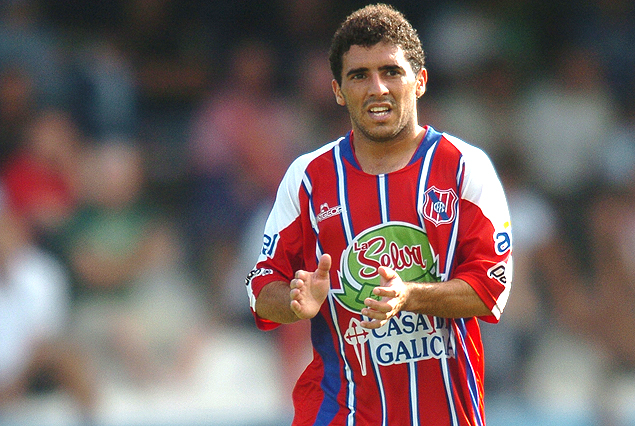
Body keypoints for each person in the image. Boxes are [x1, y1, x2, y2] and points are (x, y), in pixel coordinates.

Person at [245, 4, 512, 426]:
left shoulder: (464, 167)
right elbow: (261, 287)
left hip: (444, 412)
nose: (377, 88)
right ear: (338, 90)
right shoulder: (308, 178)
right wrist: (296, 303)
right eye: (359, 75)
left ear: (419, 81)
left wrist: (409, 295)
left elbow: (489, 289)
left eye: (391, 72)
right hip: (340, 411)